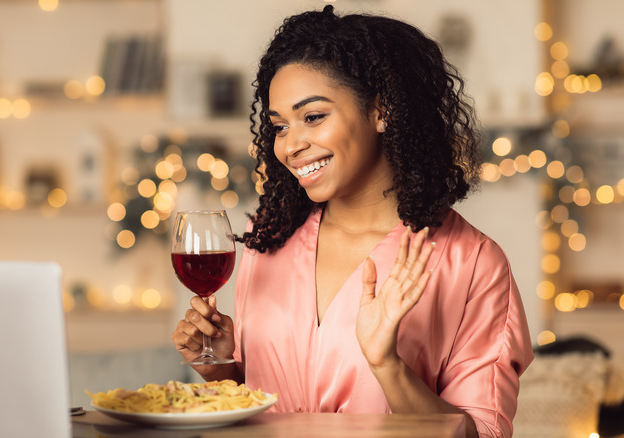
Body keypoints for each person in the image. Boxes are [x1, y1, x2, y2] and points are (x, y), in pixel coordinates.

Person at [171, 6, 533, 438]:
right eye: (280, 126)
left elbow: (483, 434)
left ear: (383, 111)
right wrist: (222, 370)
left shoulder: (472, 263)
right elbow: (260, 410)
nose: (291, 145)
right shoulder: (269, 240)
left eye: (313, 117)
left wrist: (388, 366)